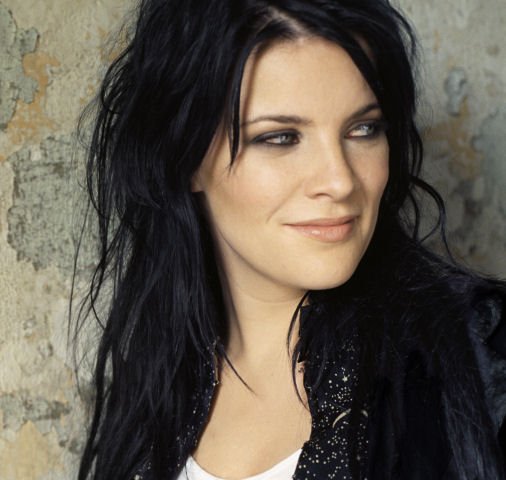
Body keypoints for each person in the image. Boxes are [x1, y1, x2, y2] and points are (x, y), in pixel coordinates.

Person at [74, 1, 506, 479]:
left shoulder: (485, 359)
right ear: (185, 155)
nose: (340, 181)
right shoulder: (154, 384)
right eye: (280, 137)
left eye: (364, 129)